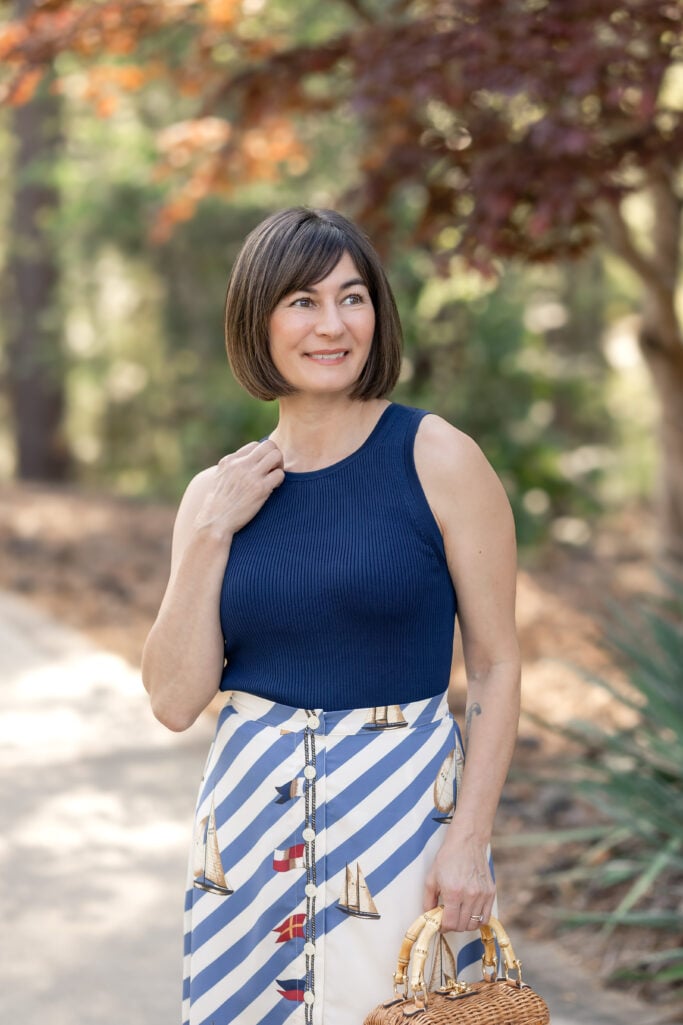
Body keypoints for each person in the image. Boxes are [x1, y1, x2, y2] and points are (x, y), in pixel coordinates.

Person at [141, 207, 520, 1025]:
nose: (332, 324)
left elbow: (495, 663)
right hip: (244, 831)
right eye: (302, 302)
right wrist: (211, 531)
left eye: (351, 298)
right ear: (259, 319)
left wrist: (467, 840)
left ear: (376, 314)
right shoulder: (217, 493)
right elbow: (174, 701)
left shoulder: (437, 457)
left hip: (402, 825)